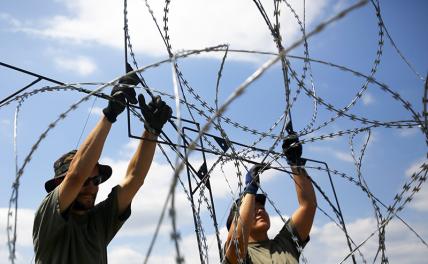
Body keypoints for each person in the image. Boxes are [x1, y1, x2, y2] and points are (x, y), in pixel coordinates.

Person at [32, 66, 172, 264]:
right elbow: (75, 176)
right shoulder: (48, 219)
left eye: (96, 180)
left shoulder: (98, 223)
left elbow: (134, 179)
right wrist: (110, 114)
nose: (91, 188)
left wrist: (151, 131)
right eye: (86, 182)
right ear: (59, 185)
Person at [223, 133, 317, 264]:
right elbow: (237, 239)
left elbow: (308, 206)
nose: (261, 211)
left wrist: (295, 163)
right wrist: (250, 190)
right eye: (253, 211)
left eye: (261, 208)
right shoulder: (241, 256)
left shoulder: (286, 243)